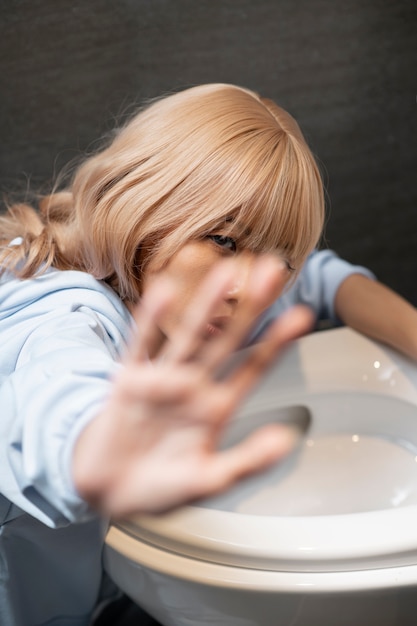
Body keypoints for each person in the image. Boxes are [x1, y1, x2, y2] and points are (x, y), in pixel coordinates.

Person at [0, 83, 416, 626]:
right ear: (147, 199)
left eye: (277, 260)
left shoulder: (190, 279)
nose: (251, 288)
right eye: (225, 241)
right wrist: (101, 453)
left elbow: (320, 274)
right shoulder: (59, 318)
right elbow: (59, 400)